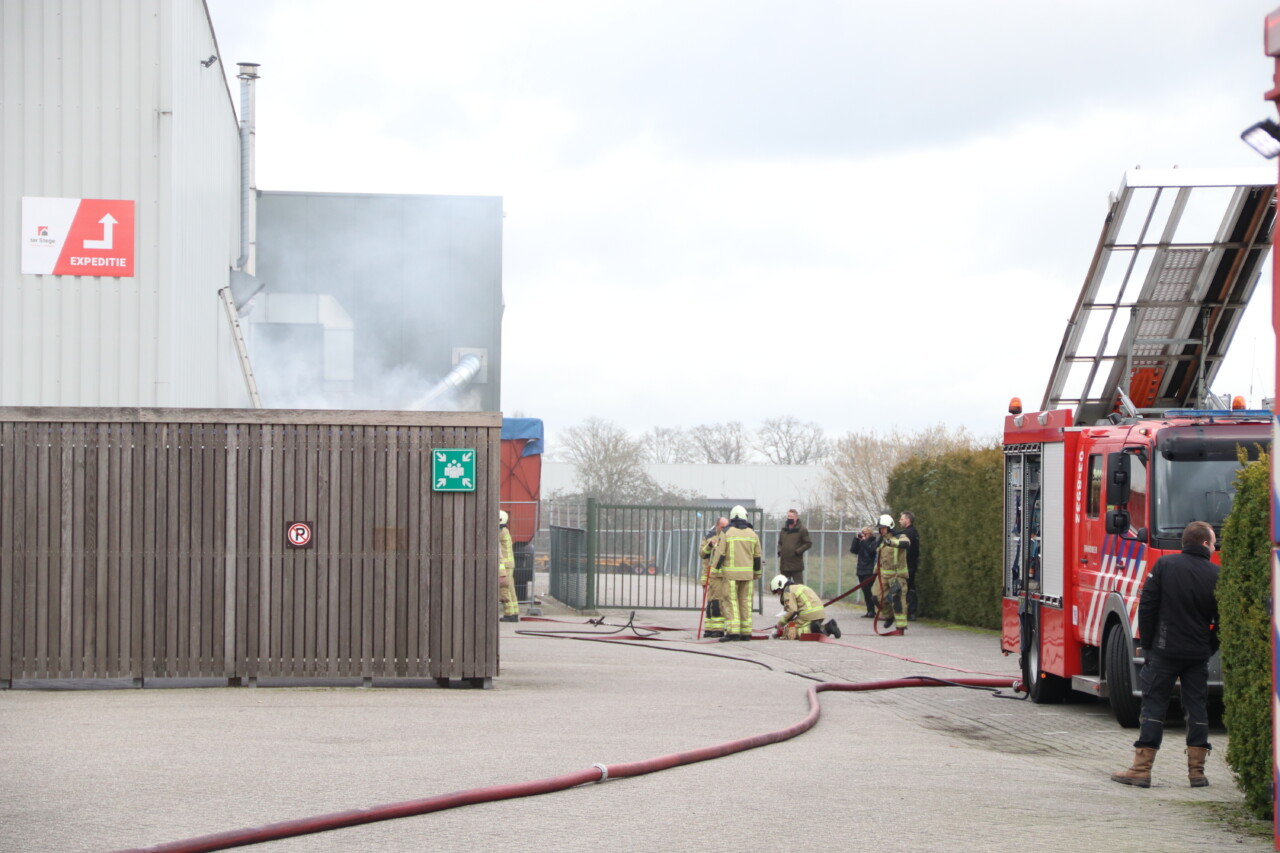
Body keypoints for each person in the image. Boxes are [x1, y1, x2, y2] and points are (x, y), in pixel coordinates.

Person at [1111, 521, 1220, 789]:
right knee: (1197, 708)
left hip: (1164, 649)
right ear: (1205, 544)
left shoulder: (1164, 566)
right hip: (1197, 653)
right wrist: (1210, 646)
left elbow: (1147, 606)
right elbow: (1223, 618)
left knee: (1154, 706)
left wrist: (1148, 644)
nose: (1216, 545)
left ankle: (1141, 769)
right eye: (1214, 541)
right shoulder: (1217, 574)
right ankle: (1197, 772)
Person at [712, 505, 762, 642]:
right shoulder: (753, 534)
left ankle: (733, 632)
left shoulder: (727, 533)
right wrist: (757, 573)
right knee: (745, 602)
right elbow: (757, 557)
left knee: (731, 602)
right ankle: (746, 632)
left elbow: (720, 553)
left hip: (731, 575)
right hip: (748, 576)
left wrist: (714, 571)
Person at [769, 575, 840, 639]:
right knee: (802, 626)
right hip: (820, 613)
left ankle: (815, 629)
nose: (778, 594)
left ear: (780, 586)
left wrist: (780, 623)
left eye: (777, 591)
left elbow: (792, 611)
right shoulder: (798, 587)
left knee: (790, 632)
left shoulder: (787, 591)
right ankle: (828, 627)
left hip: (809, 614)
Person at [873, 514, 910, 635]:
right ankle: (889, 616)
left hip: (897, 577)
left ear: (889, 527)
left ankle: (900, 627)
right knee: (876, 598)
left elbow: (906, 543)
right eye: (880, 528)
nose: (881, 530)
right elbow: (880, 558)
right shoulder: (881, 541)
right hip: (883, 576)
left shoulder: (900, 537)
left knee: (898, 601)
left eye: (883, 528)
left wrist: (892, 542)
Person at [699, 517, 730, 638]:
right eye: (722, 527)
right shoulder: (709, 537)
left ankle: (718, 629)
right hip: (711, 575)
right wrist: (709, 546)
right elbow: (703, 555)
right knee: (711, 602)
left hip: (722, 575)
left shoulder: (728, 537)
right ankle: (709, 628)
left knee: (718, 601)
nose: (725, 529)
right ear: (717, 526)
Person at [850, 526, 880, 617]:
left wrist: (864, 541)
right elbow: (853, 550)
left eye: (865, 533)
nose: (863, 535)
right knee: (865, 590)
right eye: (862, 533)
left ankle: (873, 610)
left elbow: (871, 551)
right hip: (861, 569)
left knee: (868, 589)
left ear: (870, 534)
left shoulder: (873, 542)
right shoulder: (861, 542)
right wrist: (856, 539)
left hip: (870, 569)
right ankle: (869, 610)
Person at [777, 508, 813, 584]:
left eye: (791, 517)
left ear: (796, 518)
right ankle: (784, 596)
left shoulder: (802, 529)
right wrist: (780, 551)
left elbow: (808, 543)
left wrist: (798, 551)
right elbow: (780, 543)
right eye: (788, 517)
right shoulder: (784, 530)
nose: (789, 518)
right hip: (784, 564)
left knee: (799, 586)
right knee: (782, 585)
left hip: (796, 564)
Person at [898, 511, 920, 620]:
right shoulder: (914, 533)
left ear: (907, 520)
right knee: (911, 587)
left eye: (901, 519)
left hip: (906, 565)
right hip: (912, 564)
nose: (899, 521)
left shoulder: (907, 534)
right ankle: (911, 612)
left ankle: (907, 612)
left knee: (904, 588)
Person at [498, 510, 519, 622]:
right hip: (509, 564)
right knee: (511, 589)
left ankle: (509, 614)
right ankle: (514, 612)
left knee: (505, 589)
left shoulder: (500, 532)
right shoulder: (505, 530)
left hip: (504, 565)